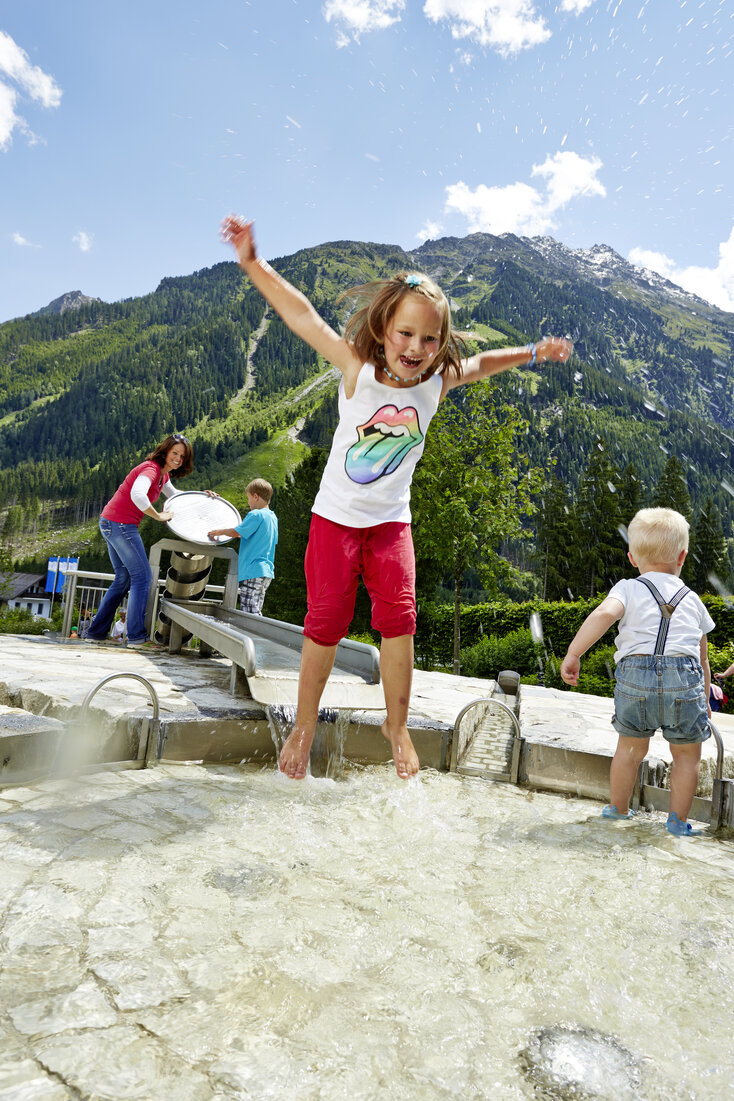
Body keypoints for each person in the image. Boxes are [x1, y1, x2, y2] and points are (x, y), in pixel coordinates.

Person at [221, 214, 573, 781]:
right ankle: (305, 724)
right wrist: (253, 262)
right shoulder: (356, 368)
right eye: (406, 334)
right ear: (384, 329)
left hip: (391, 526)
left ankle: (397, 725)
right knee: (324, 624)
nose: (416, 346)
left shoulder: (436, 380)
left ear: (441, 344)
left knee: (399, 624)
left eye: (430, 338)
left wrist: (532, 351)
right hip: (333, 523)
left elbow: (482, 363)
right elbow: (301, 315)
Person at [560, 507, 713, 837]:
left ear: (631, 557)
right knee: (687, 757)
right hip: (684, 684)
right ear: (683, 556)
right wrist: (704, 697)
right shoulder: (693, 599)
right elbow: (701, 659)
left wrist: (574, 653)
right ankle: (677, 822)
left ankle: (618, 810)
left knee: (629, 750)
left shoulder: (628, 588)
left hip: (635, 680)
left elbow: (604, 615)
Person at [86, 434, 198, 648]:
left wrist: (206, 498)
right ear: (165, 451)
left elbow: (176, 496)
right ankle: (137, 637)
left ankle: (95, 632)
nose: (178, 459)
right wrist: (158, 516)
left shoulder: (162, 476)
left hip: (111, 522)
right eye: (175, 453)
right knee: (142, 577)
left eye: (182, 456)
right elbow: (138, 495)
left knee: (123, 579)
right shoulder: (151, 469)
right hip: (120, 525)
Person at [207, 477, 278, 615]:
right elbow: (246, 534)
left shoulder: (256, 514)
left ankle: (252, 634)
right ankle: (256, 632)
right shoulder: (272, 517)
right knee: (256, 607)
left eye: (248, 498)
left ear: (256, 496)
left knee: (249, 611)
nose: (248, 502)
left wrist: (219, 531)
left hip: (253, 570)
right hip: (266, 571)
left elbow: (236, 532)